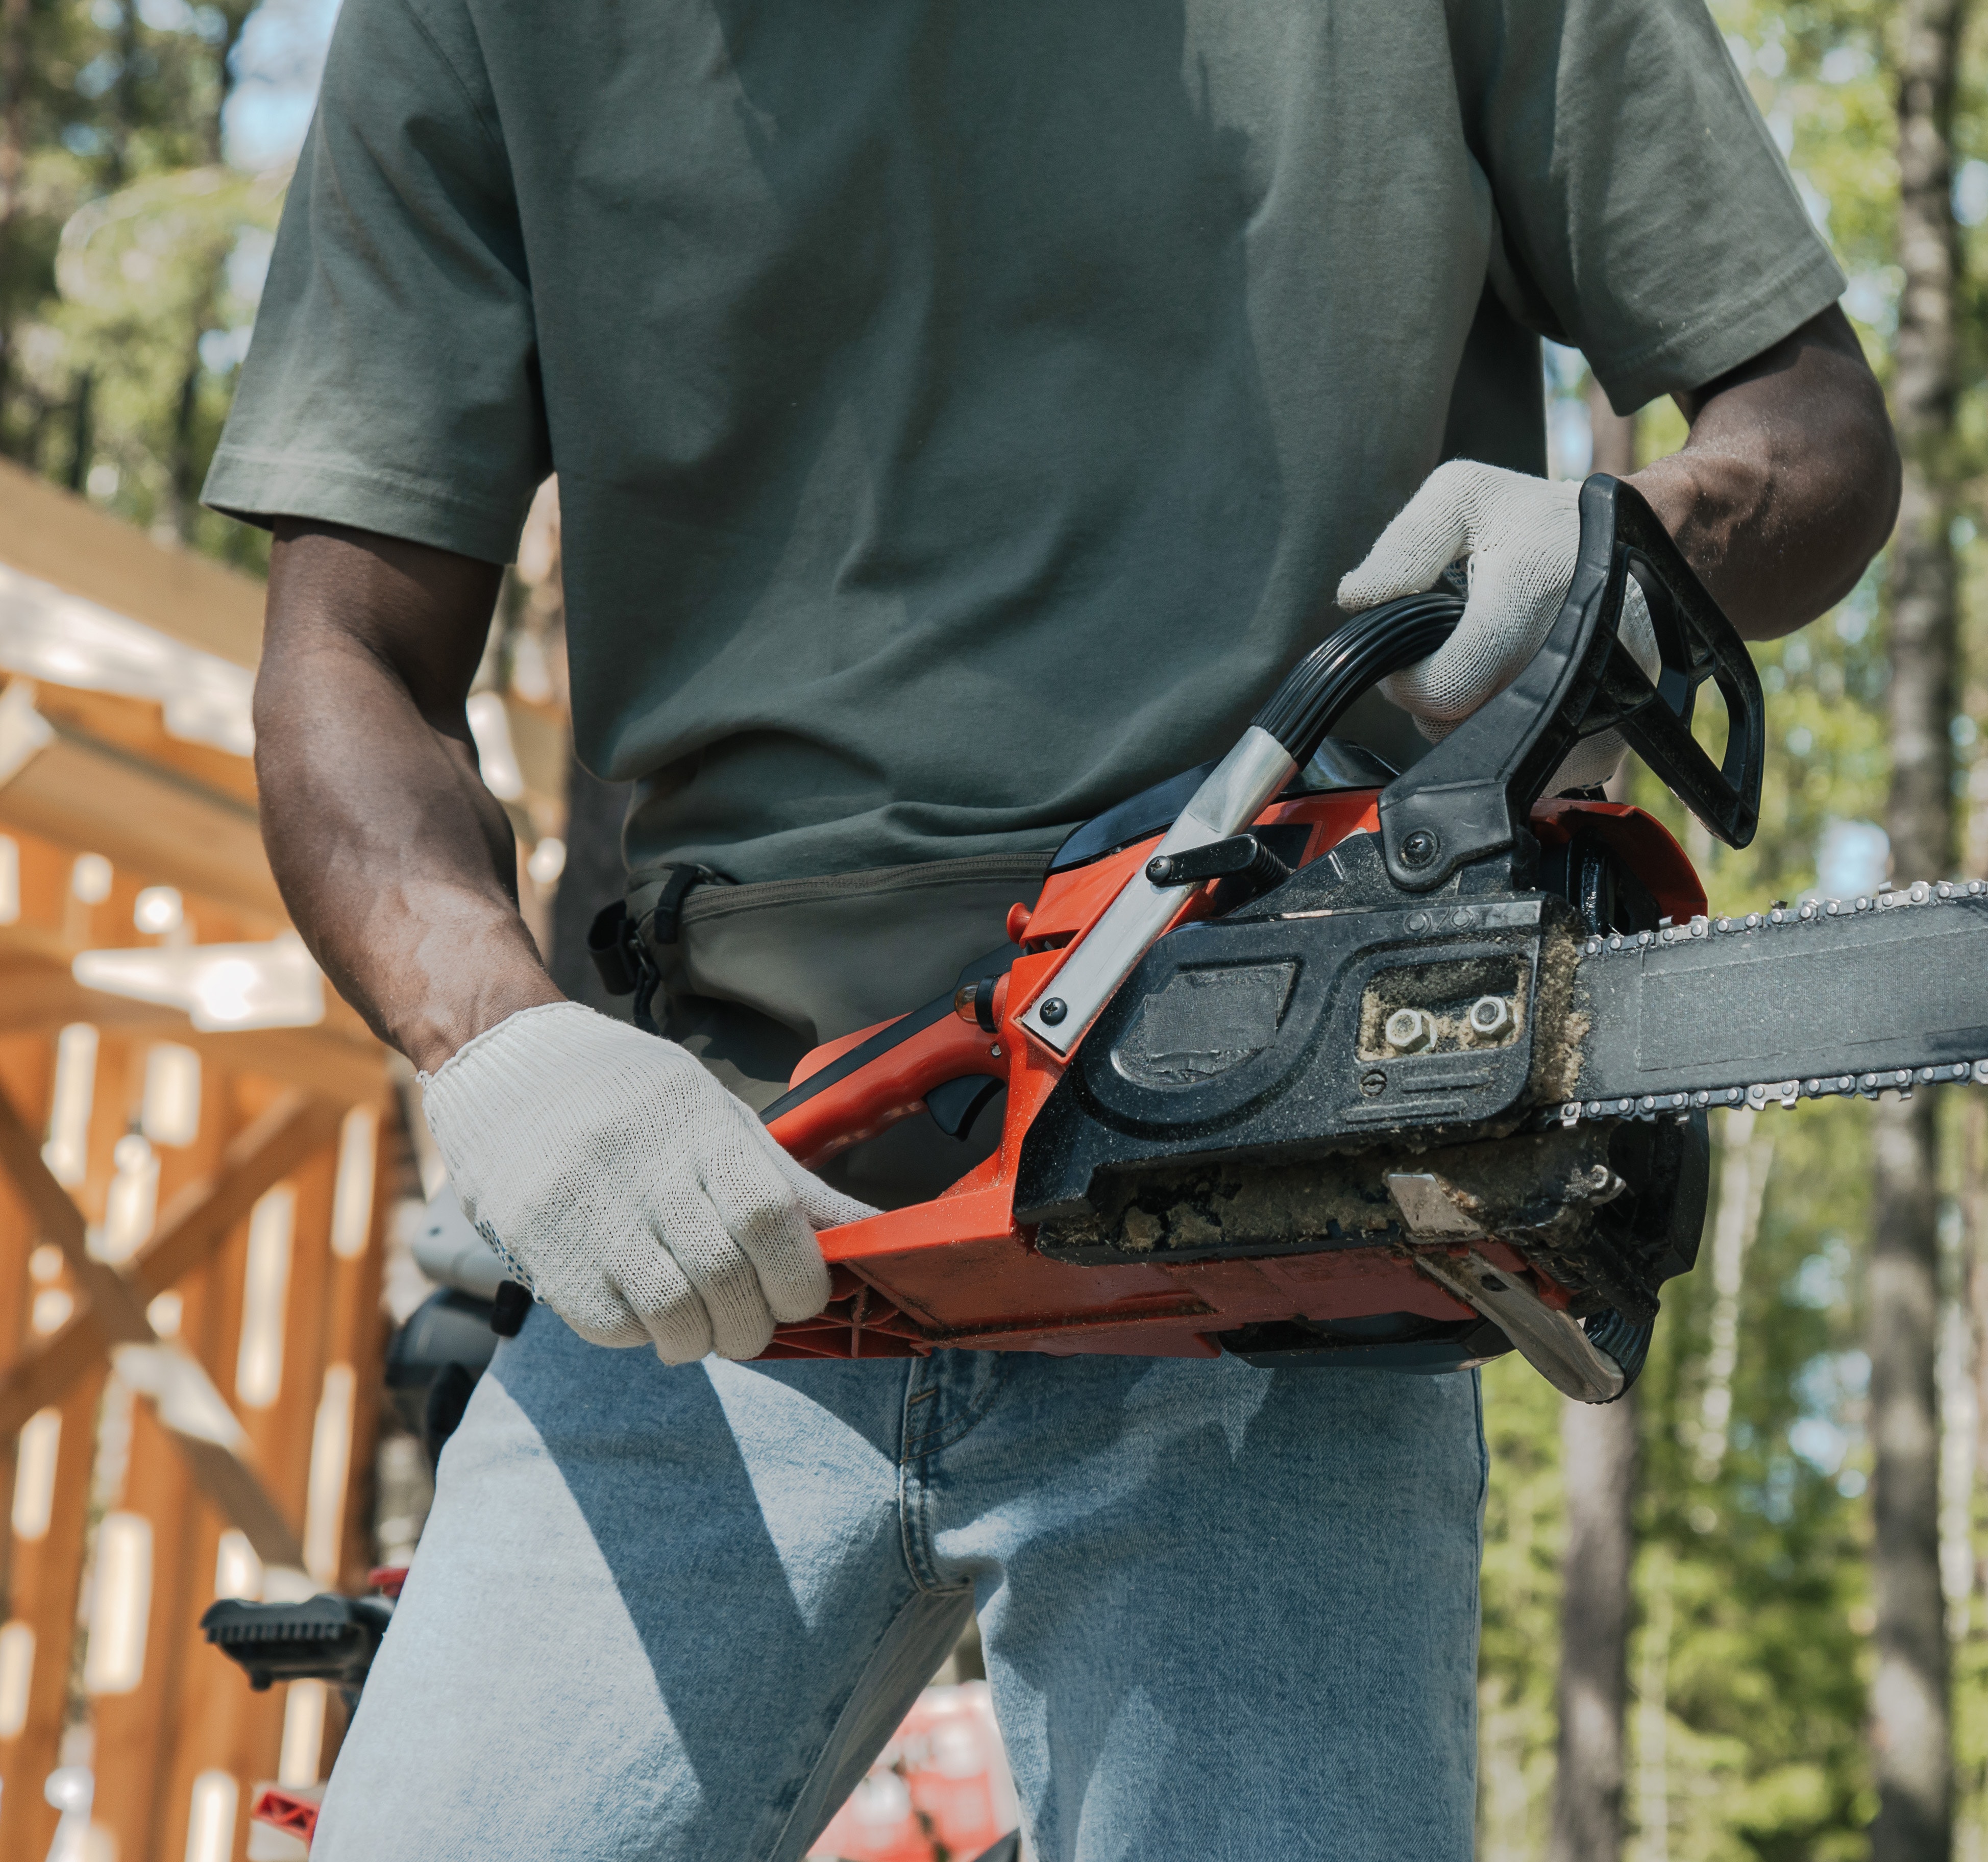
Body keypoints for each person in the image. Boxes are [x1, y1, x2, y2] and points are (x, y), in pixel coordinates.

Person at [208, 1, 1897, 1854]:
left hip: (1280, 1212)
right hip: (710, 1213)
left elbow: (1808, 423)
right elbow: (347, 651)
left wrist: (1628, 538)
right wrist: (499, 1033)